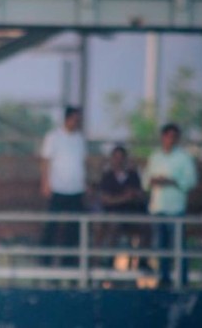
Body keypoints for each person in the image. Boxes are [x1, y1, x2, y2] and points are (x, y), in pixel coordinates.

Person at [142, 123, 197, 288]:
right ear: (163, 137)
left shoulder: (184, 158)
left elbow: (191, 181)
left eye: (174, 137)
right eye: (168, 136)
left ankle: (182, 280)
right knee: (161, 247)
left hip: (176, 209)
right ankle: (163, 278)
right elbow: (145, 181)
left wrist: (172, 181)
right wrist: (154, 181)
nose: (171, 140)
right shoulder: (155, 157)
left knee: (179, 247)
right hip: (158, 207)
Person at [40, 106, 88, 267]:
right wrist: (45, 182)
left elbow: (82, 163)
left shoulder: (80, 139)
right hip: (58, 188)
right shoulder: (53, 137)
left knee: (73, 228)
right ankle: (45, 261)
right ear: (68, 119)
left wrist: (84, 183)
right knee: (52, 225)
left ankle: (69, 263)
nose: (77, 122)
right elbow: (46, 161)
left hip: (76, 189)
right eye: (75, 119)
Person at [95, 146, 149, 269]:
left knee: (146, 226)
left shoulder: (133, 175)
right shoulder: (107, 177)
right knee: (113, 225)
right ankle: (109, 261)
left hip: (132, 215)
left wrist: (134, 195)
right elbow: (106, 199)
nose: (118, 161)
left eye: (121, 157)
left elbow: (141, 194)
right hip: (113, 217)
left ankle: (143, 261)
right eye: (116, 157)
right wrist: (124, 197)